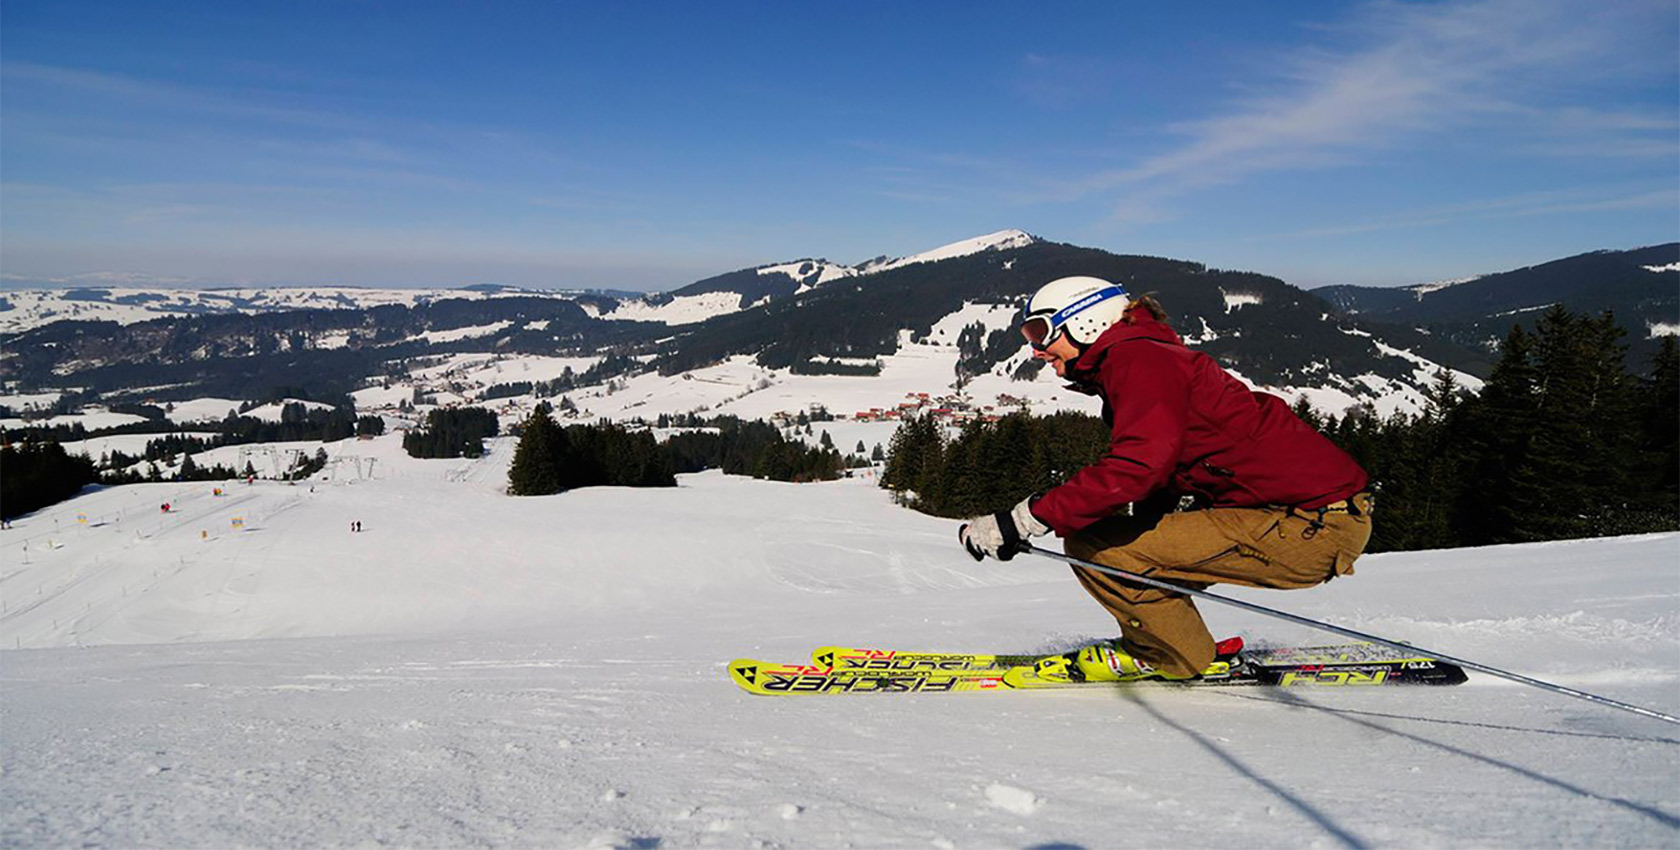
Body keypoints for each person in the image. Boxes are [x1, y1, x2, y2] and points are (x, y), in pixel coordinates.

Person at [959, 276, 1372, 683]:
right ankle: (1175, 644)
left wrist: (1024, 520)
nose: (1036, 349)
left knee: (1094, 547)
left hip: (1310, 526)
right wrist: (1137, 533)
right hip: (1302, 519)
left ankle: (1169, 655)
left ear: (1088, 321)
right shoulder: (1140, 359)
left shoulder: (1139, 361)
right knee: (1117, 550)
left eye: (1042, 331)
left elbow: (1138, 465)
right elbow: (1164, 473)